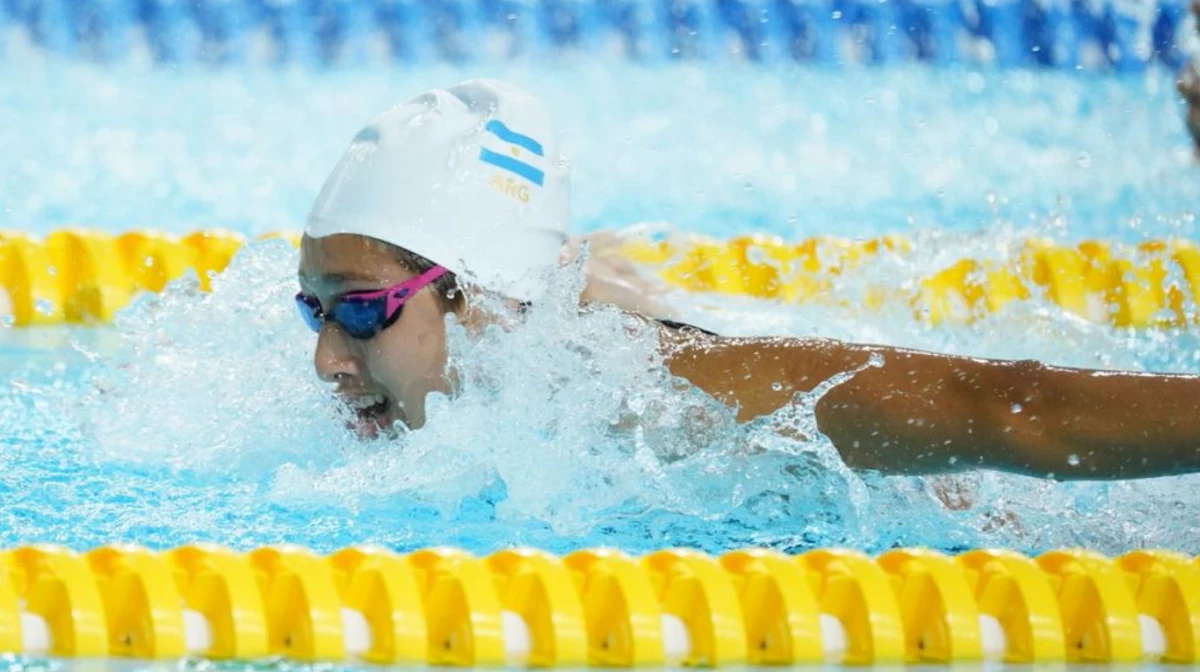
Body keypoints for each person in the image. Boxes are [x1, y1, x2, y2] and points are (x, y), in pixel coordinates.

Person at [298, 79, 1200, 482]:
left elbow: (1005, 410)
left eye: (363, 312)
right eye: (314, 312)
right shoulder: (494, 341)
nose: (327, 361)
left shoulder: (664, 403)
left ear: (485, 298)